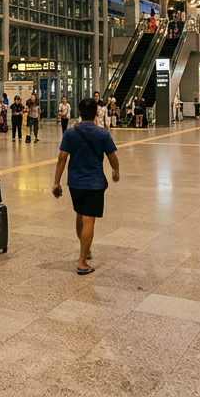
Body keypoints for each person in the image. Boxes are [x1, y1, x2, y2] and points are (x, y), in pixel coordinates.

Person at [52, 97, 120, 274]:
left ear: (79, 113)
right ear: (96, 113)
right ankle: (82, 262)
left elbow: (61, 159)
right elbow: (113, 157)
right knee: (89, 219)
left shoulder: (70, 133)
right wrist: (116, 171)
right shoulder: (102, 134)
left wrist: (56, 182)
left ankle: (86, 249)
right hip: (94, 183)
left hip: (75, 182)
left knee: (80, 214)